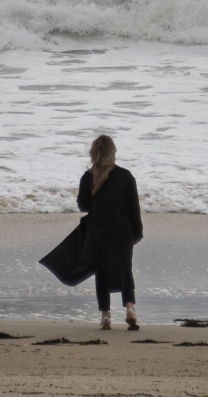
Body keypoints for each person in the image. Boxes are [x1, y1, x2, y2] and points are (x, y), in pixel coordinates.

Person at [77, 135, 143, 331]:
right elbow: (134, 207)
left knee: (101, 272)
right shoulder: (125, 176)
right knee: (125, 270)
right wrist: (137, 231)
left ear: (93, 153)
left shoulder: (88, 177)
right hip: (123, 231)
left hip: (98, 231)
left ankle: (105, 317)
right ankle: (130, 309)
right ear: (113, 152)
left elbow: (83, 205)